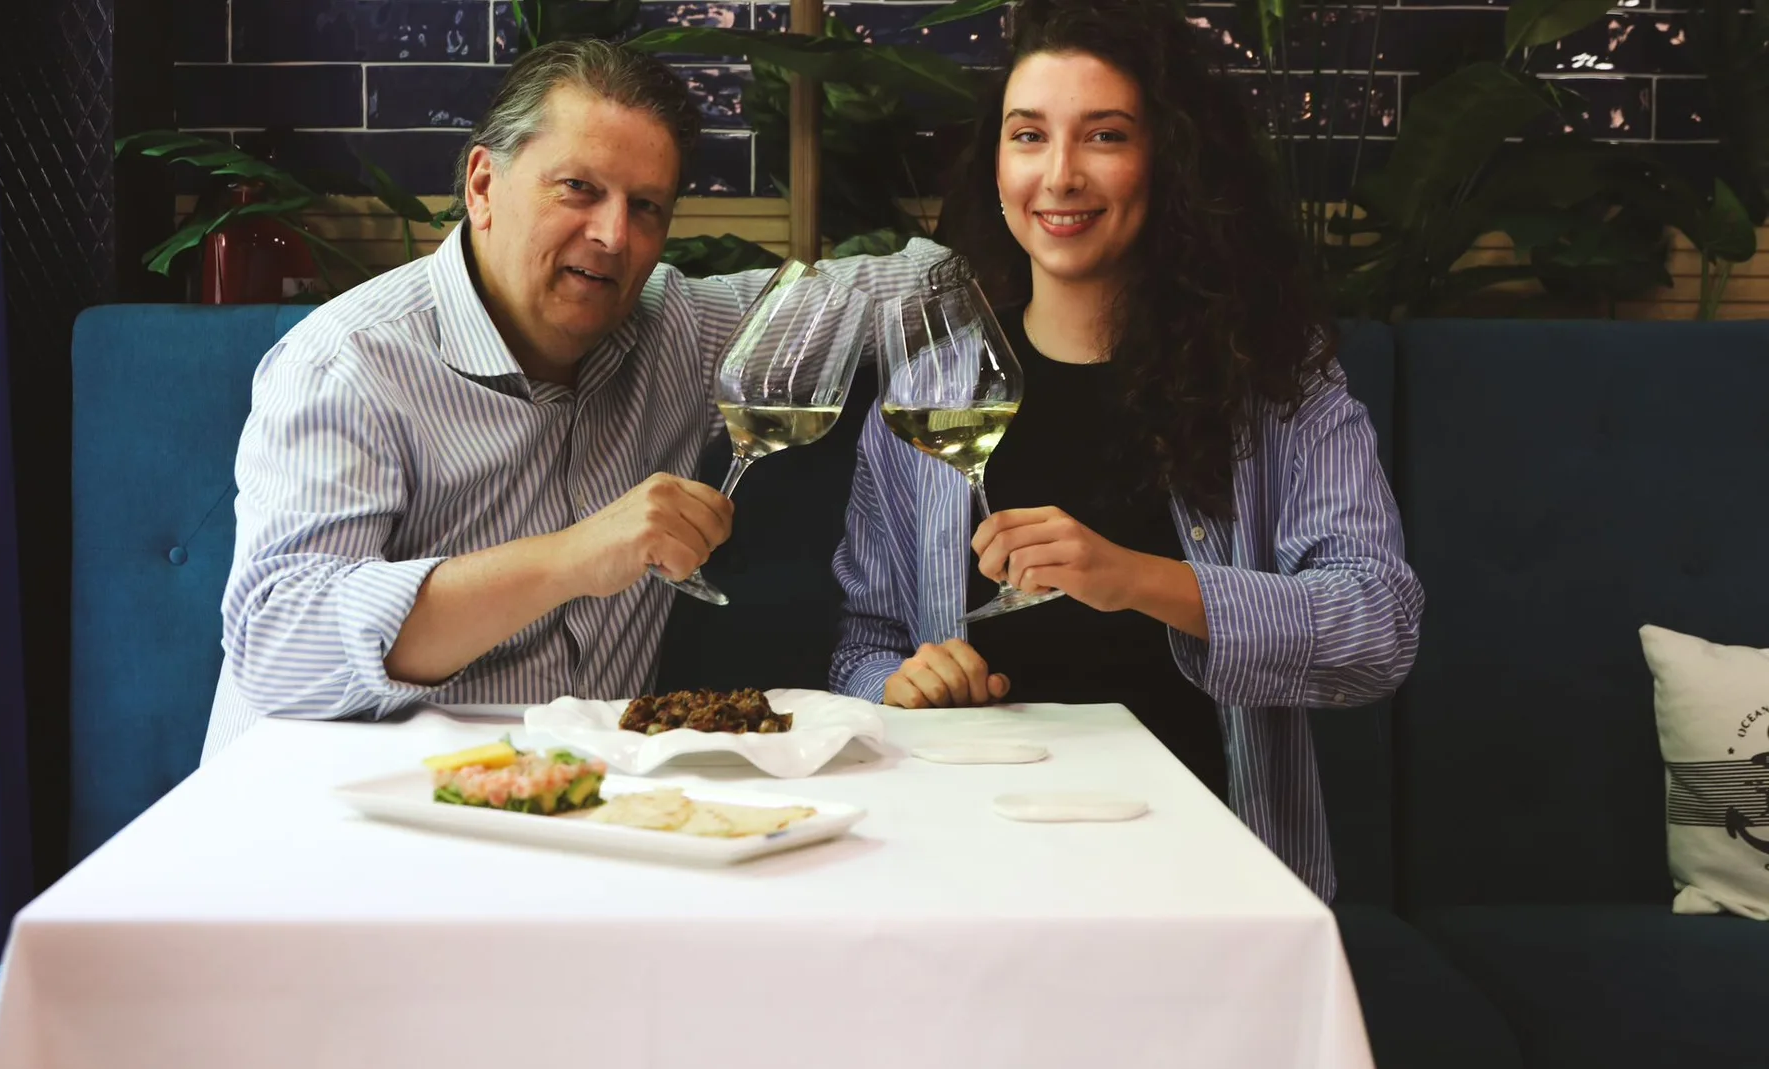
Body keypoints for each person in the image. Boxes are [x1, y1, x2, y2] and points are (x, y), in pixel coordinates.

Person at [828, 0, 1423, 899]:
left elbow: (1378, 629)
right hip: (971, 869)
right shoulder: (928, 395)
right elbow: (860, 647)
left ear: (1167, 162)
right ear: (997, 162)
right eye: (1029, 136)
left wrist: (1135, 579)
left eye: (1103, 136)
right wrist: (900, 683)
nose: (1059, 175)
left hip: (1210, 873)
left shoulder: (1272, 379)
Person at [203, 40, 946, 760]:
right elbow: (279, 649)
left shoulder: (672, 328)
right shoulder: (351, 364)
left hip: (577, 819)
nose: (614, 234)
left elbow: (907, 291)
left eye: (647, 206)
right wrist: (573, 558)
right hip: (334, 823)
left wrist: (1043, 195)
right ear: (483, 186)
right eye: (579, 189)